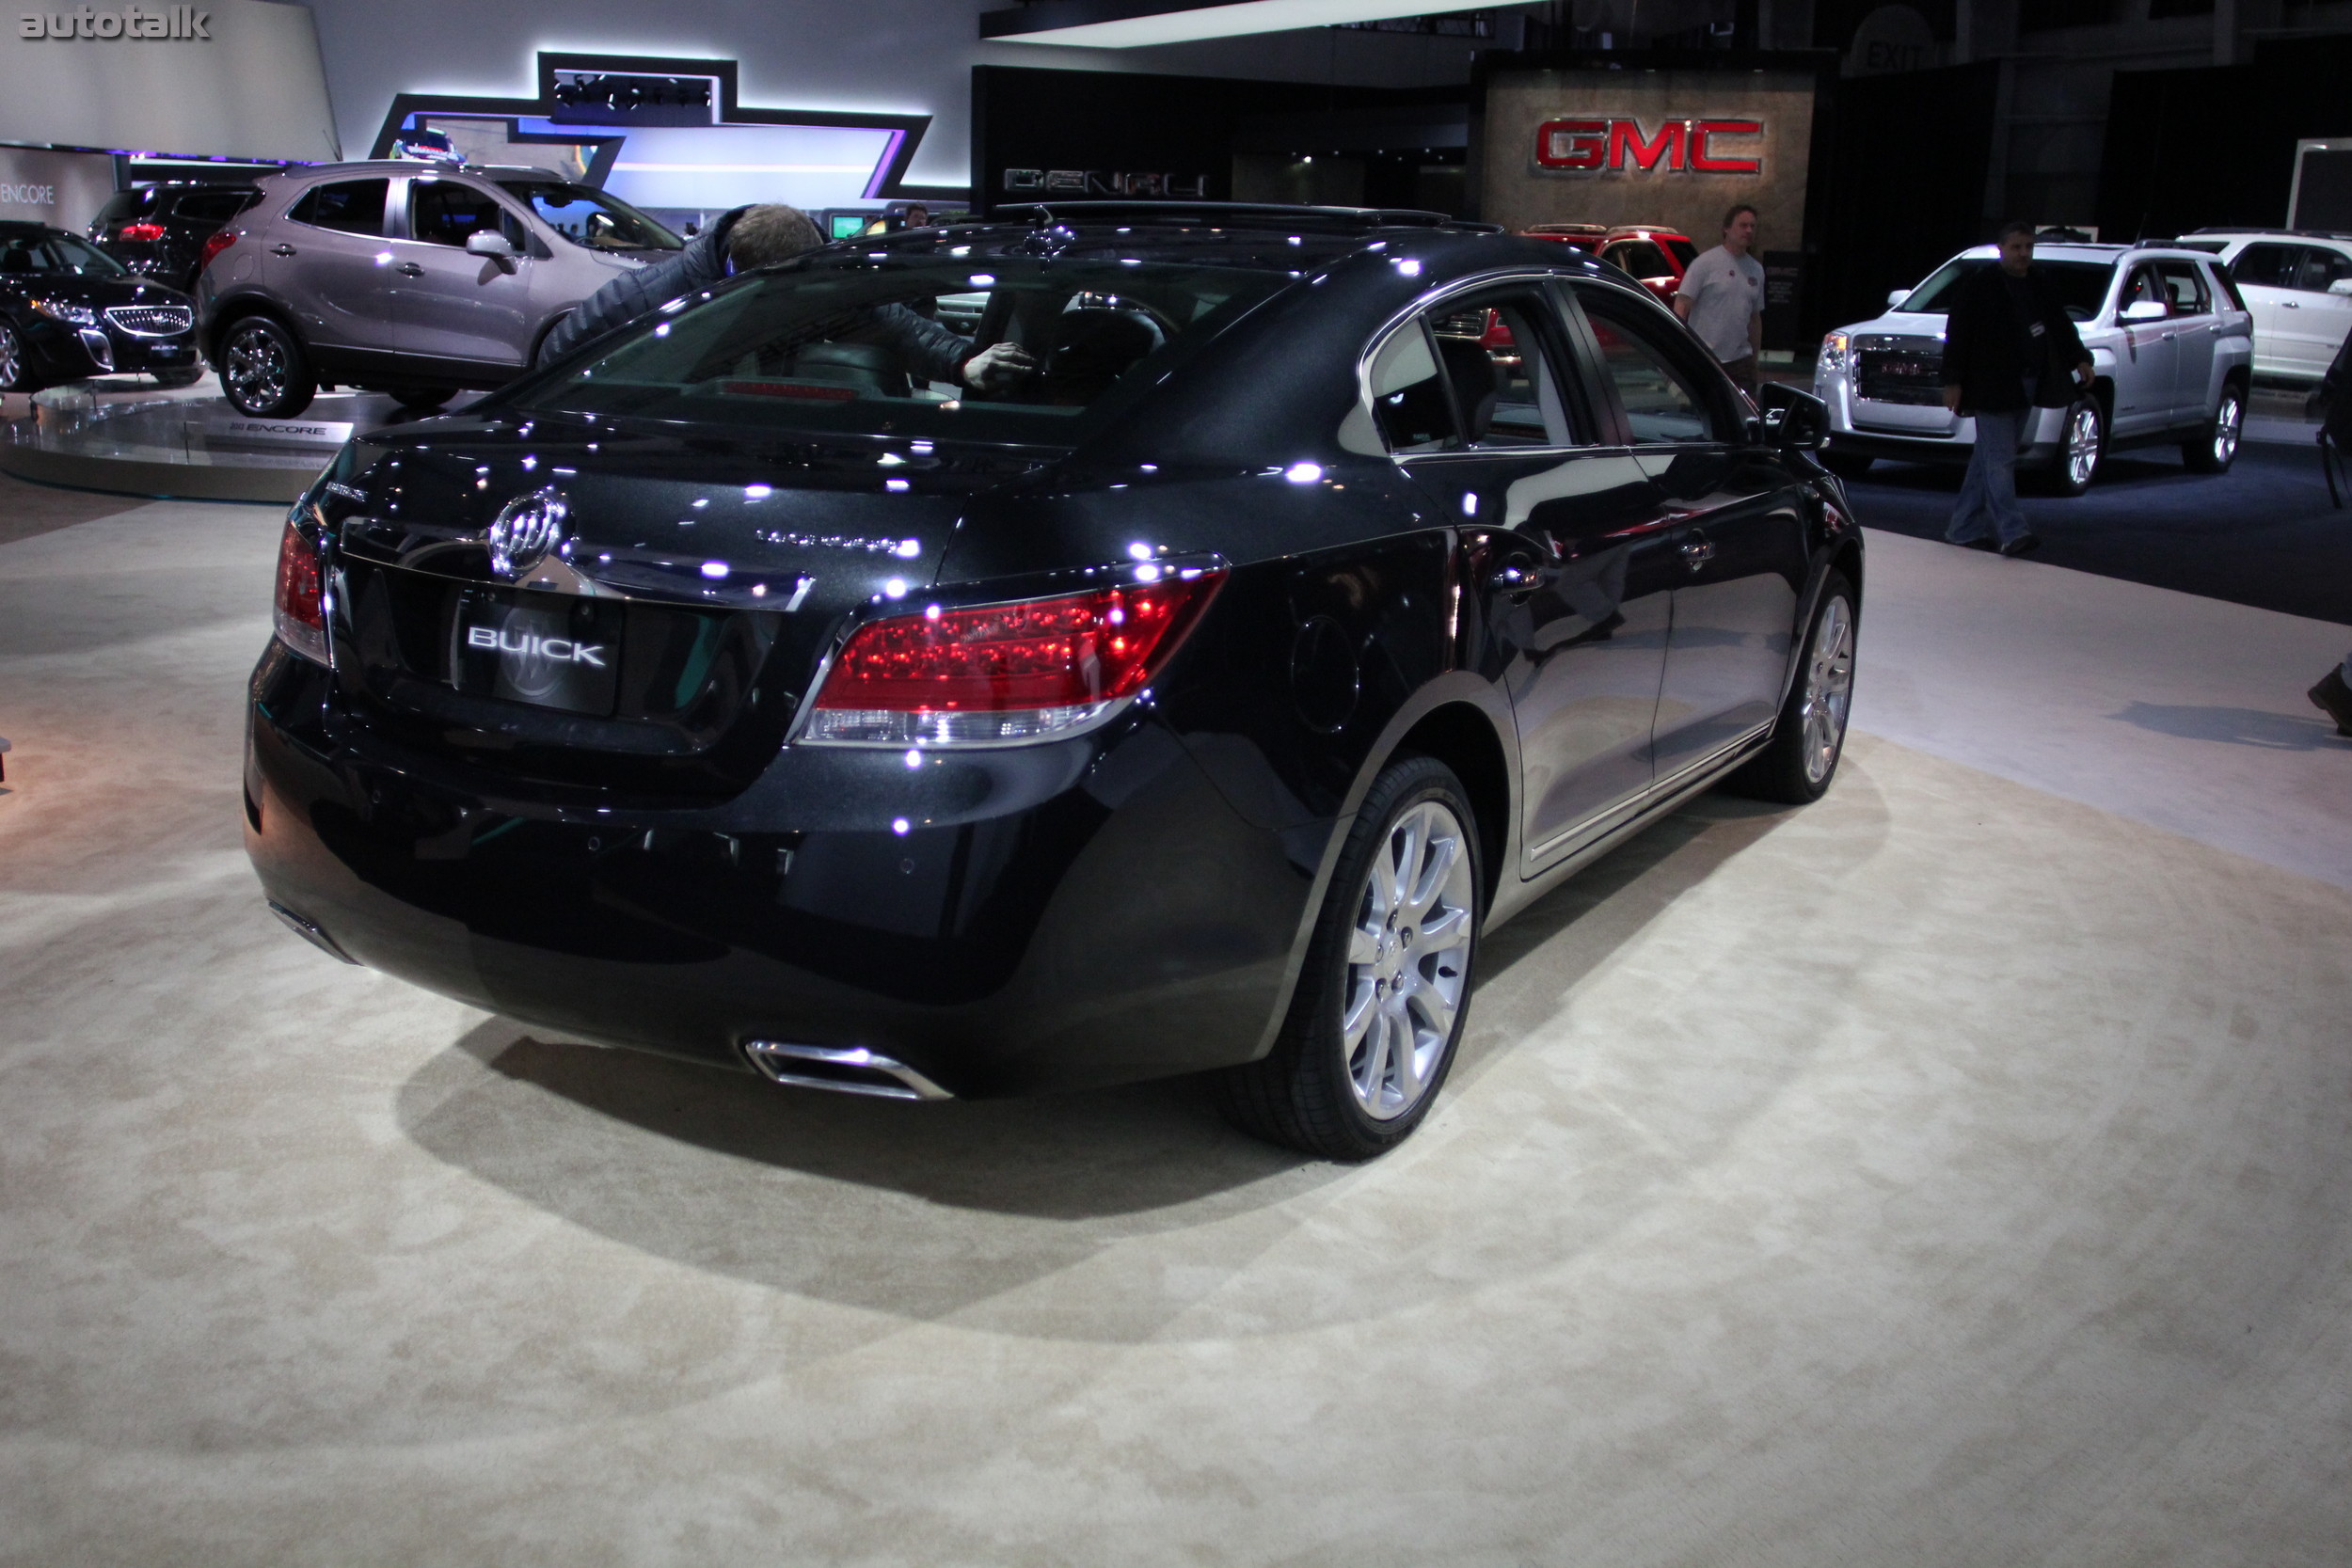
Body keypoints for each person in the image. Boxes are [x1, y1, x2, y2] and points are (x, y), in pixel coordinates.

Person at [534, 202, 1030, 387]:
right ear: (741, 274)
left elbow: (892, 324)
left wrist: (965, 362)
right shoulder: (652, 296)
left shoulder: (816, 275)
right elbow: (558, 355)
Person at [1939, 219, 2095, 558]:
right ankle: (2012, 530)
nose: (2023, 254)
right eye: (2016, 247)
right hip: (1991, 383)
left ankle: (1963, 527)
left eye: (2028, 247)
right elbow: (1959, 333)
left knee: (1989, 458)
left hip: (2027, 380)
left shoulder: (2039, 283)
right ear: (2001, 249)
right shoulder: (1981, 285)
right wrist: (1953, 380)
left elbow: (2059, 323)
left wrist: (2079, 358)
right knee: (2000, 459)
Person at [1674, 203, 1765, 396]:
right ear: (1726, 229)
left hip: (1741, 362)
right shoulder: (1705, 264)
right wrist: (1681, 351)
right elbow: (1682, 306)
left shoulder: (1756, 270)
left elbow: (1755, 320)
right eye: (1743, 225)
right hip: (1706, 357)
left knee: (1742, 419)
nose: (1749, 230)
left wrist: (1754, 360)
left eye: (1753, 226)